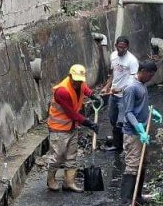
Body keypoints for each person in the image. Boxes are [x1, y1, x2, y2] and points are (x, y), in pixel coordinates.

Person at [46, 64, 98, 193]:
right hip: (58, 128)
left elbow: (84, 89)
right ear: (70, 76)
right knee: (57, 156)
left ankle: (69, 182)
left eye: (80, 80)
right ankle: (51, 180)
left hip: (72, 127)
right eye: (75, 80)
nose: (78, 83)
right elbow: (71, 113)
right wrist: (88, 122)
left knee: (71, 155)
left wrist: (92, 95)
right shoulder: (62, 91)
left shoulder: (80, 83)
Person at [119, 60, 158, 206]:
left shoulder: (142, 85)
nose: (151, 78)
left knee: (142, 164)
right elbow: (128, 112)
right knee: (133, 165)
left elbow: (140, 106)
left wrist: (150, 112)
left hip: (142, 132)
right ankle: (125, 201)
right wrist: (139, 129)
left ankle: (138, 196)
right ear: (142, 71)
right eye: (150, 74)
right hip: (133, 133)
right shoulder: (131, 87)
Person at [102, 36, 139, 153]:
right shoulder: (113, 56)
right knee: (112, 119)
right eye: (119, 47)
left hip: (125, 96)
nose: (121, 50)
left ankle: (118, 146)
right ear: (116, 46)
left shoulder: (132, 61)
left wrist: (121, 89)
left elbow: (134, 80)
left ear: (127, 47)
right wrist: (107, 86)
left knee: (120, 122)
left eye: (124, 48)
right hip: (113, 94)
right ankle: (120, 141)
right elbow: (113, 73)